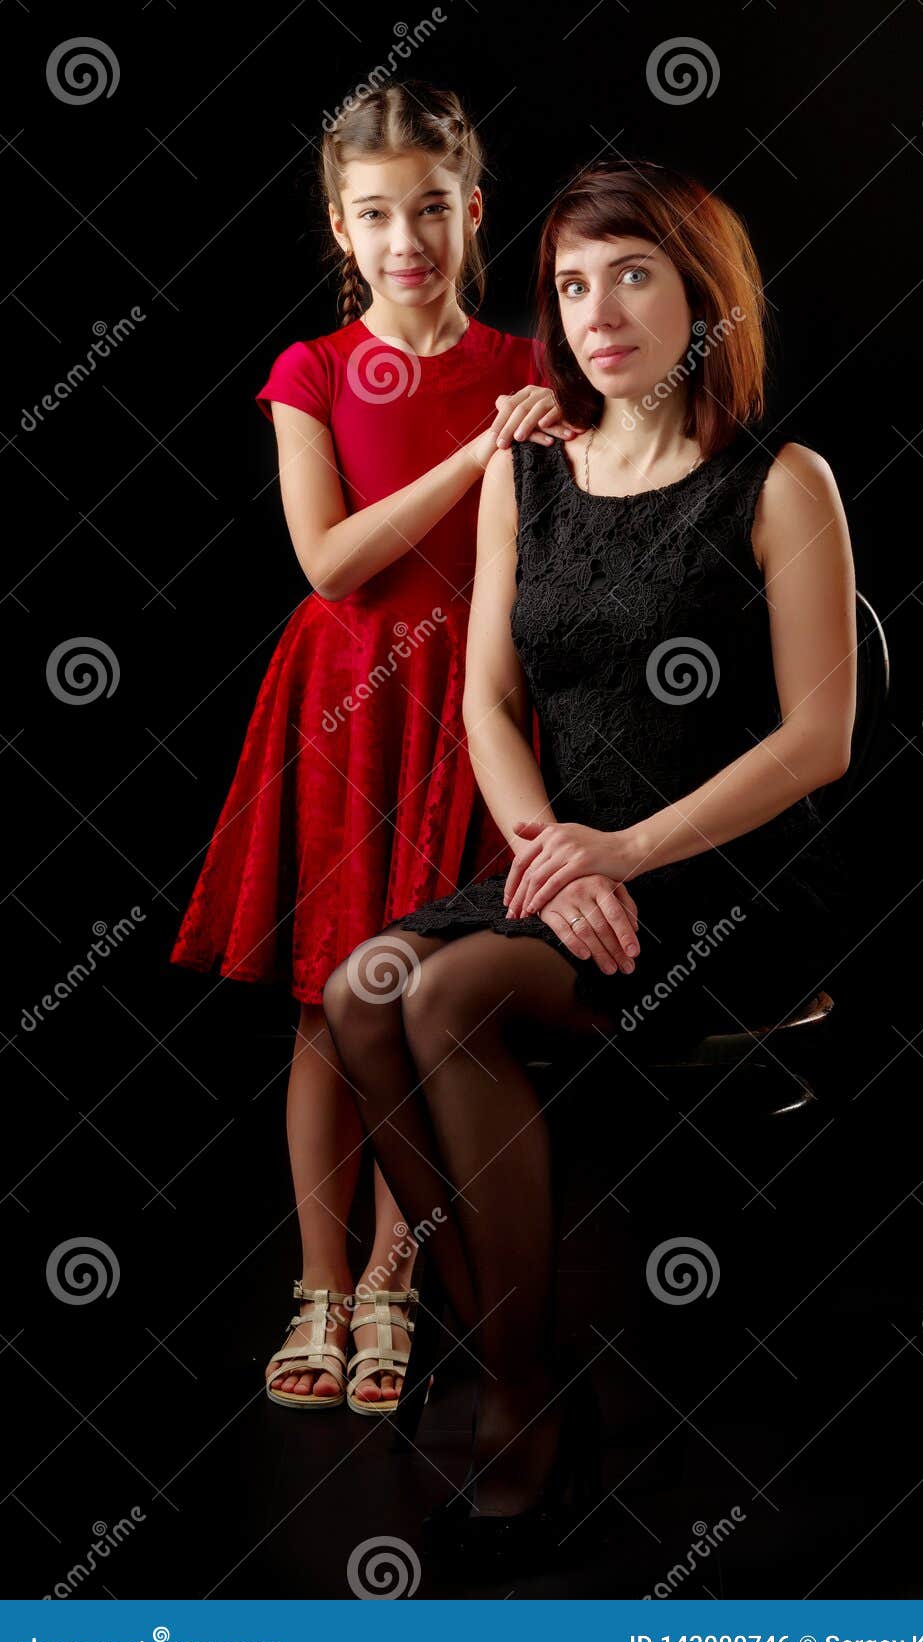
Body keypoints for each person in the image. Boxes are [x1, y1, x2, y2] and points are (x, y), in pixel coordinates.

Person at [321, 156, 857, 1571]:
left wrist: (623, 848)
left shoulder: (783, 482)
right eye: (569, 282)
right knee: (360, 986)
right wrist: (560, 859)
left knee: (441, 1003)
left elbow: (819, 736)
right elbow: (488, 705)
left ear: (702, 293)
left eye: (632, 272)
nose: (597, 309)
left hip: (720, 878)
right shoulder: (528, 472)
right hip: (561, 860)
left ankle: (521, 1397)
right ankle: (517, 1322)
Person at [169, 81, 585, 1415]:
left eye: (430, 208)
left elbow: (566, 558)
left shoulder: (530, 367)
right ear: (338, 227)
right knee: (320, 1004)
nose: (405, 236)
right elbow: (332, 559)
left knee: (406, 990)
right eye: (373, 214)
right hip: (347, 699)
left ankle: (399, 1281)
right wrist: (476, 459)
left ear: (473, 211)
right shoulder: (315, 371)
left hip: (474, 704)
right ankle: (321, 1280)